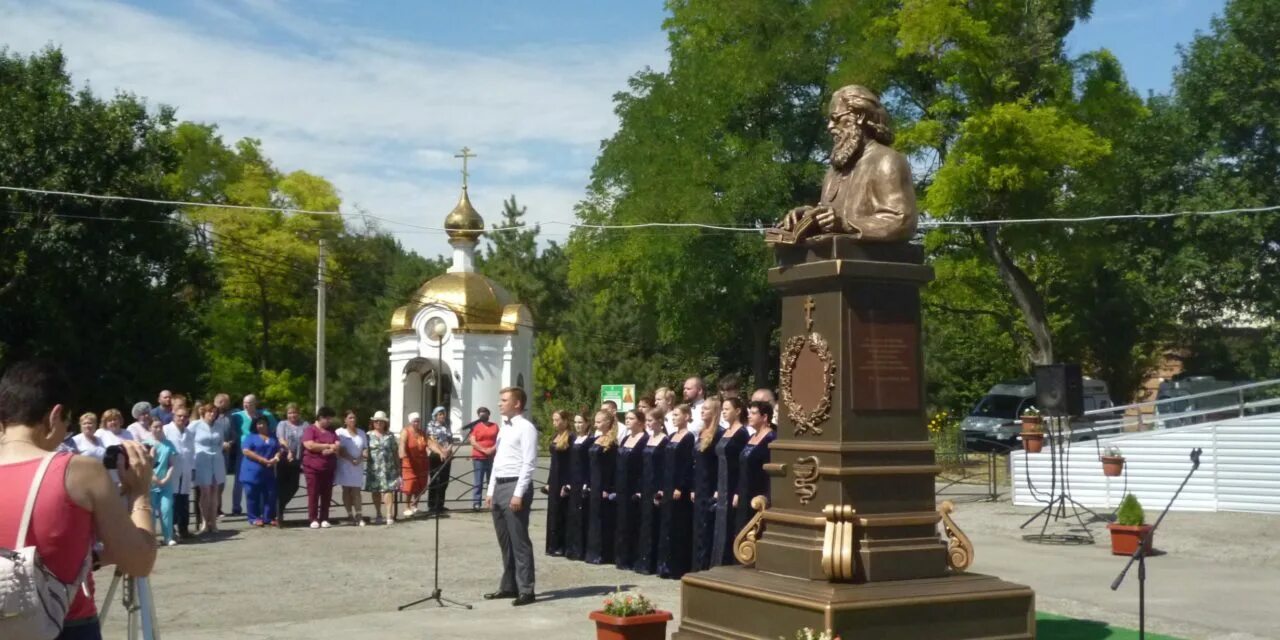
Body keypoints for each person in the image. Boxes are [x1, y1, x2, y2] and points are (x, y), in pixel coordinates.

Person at [0, 360, 157, 640]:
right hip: (62, 624)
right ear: (55, 415)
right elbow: (139, 561)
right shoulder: (79, 472)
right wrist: (139, 492)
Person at [483, 387, 539, 607]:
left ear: (517, 403)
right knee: (505, 541)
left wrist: (518, 493)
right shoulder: (504, 428)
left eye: (504, 400)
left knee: (519, 540)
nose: (499, 404)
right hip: (500, 485)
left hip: (516, 484)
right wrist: (490, 490)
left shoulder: (526, 428)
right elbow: (498, 461)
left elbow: (529, 462)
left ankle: (527, 588)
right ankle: (509, 585)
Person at [658, 403, 697, 578]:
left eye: (677, 415)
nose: (673, 418)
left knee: (677, 525)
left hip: (678, 487)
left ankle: (677, 567)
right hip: (666, 484)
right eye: (672, 415)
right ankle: (664, 564)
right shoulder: (672, 435)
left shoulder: (688, 437)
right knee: (666, 524)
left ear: (687, 417)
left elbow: (687, 464)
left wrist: (680, 486)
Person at [712, 397, 750, 566]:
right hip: (721, 483)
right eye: (723, 409)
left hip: (732, 482)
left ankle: (727, 562)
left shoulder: (742, 433)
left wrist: (737, 491)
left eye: (728, 409)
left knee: (729, 523)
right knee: (719, 524)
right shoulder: (724, 432)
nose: (724, 412)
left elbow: (741, 464)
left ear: (738, 411)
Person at [230, 395, 277, 518]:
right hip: (244, 449)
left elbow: (273, 428)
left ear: (255, 403)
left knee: (261, 480)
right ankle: (236, 506)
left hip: (262, 449)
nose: (246, 405)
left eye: (249, 403)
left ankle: (263, 510)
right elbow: (231, 430)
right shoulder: (236, 416)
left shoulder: (264, 414)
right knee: (241, 479)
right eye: (244, 403)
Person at [633, 407, 668, 575]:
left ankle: (653, 562)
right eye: (646, 421)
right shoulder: (648, 439)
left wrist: (660, 490)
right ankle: (643, 561)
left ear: (660, 421)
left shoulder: (664, 440)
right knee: (644, 523)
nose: (647, 424)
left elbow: (664, 468)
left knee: (653, 523)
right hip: (645, 485)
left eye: (650, 421)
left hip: (655, 485)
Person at [613, 408, 649, 570]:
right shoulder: (626, 437)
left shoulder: (644, 439)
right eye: (626, 418)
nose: (627, 421)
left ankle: (632, 557)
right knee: (620, 521)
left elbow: (644, 466)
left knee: (632, 521)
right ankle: (620, 557)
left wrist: (640, 489)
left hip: (634, 485)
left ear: (640, 422)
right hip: (621, 484)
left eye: (631, 418)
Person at [690, 397, 723, 572]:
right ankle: (696, 565)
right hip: (699, 484)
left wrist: (718, 489)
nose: (702, 412)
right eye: (702, 409)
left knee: (707, 525)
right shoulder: (701, 432)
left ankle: (705, 565)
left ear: (715, 412)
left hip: (710, 484)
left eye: (707, 409)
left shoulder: (719, 433)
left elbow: (718, 464)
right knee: (698, 526)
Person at [735, 401, 776, 536]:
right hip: (744, 491)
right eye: (749, 413)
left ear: (764, 417)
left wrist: (767, 496)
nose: (749, 416)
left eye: (753, 413)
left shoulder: (771, 438)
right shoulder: (752, 436)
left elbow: (770, 470)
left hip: (758, 493)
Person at [585, 410, 618, 565]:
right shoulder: (596, 439)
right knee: (594, 517)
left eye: (599, 422)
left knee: (602, 518)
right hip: (593, 482)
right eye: (595, 421)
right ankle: (592, 551)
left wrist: (608, 488)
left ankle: (603, 553)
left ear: (607, 423)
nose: (596, 424)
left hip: (603, 484)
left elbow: (611, 468)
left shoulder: (611, 443)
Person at [398, 413, 445, 517]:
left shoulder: (422, 433)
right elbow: (402, 443)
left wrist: (440, 452)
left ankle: (414, 506)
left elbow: (430, 443)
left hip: (422, 463)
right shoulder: (406, 431)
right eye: (414, 421)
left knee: (421, 485)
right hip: (409, 463)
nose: (416, 423)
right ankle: (406, 507)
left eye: (418, 421)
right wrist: (402, 453)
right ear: (410, 421)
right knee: (410, 485)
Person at [240, 415, 282, 527]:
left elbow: (279, 449)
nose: (261, 425)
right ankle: (254, 518)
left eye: (263, 423)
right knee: (252, 495)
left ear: (267, 424)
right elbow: (246, 451)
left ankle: (269, 517)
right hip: (251, 471)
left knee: (270, 494)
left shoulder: (273, 437)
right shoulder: (250, 437)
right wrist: (262, 460)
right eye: (258, 423)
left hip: (268, 472)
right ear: (255, 425)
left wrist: (276, 457)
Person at [190, 403, 226, 535]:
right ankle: (205, 522)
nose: (212, 415)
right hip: (201, 460)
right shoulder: (195, 425)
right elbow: (188, 441)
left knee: (215, 491)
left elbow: (220, 442)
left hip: (216, 460)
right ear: (203, 413)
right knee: (205, 491)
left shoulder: (219, 426)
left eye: (214, 412)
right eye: (210, 412)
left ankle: (214, 523)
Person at [302, 406, 340, 529]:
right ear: (320, 418)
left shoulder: (332, 431)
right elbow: (310, 445)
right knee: (313, 493)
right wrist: (327, 446)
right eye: (328, 419)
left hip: (328, 467)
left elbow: (337, 445)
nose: (330, 422)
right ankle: (313, 518)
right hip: (312, 468)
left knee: (327, 493)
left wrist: (329, 449)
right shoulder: (310, 430)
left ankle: (325, 518)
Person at [564, 413, 594, 561]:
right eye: (575, 422)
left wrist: (587, 483)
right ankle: (572, 548)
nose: (578, 425)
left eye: (581, 422)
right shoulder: (575, 439)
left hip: (583, 479)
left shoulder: (590, 440)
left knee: (582, 514)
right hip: (573, 479)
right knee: (573, 514)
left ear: (587, 423)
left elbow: (589, 464)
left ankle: (581, 549)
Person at [163, 407, 196, 539]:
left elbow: (192, 452)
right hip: (172, 470)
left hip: (186, 469)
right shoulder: (166, 430)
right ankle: (170, 529)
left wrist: (193, 469)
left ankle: (184, 529)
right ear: (173, 416)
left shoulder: (189, 432)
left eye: (185, 416)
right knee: (172, 501)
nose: (182, 419)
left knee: (184, 500)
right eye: (179, 416)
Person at [543, 409, 572, 556]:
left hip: (563, 478)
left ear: (565, 421)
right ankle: (552, 545)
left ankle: (562, 545)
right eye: (553, 420)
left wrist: (567, 484)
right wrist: (548, 482)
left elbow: (571, 463)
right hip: (554, 477)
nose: (555, 423)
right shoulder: (556, 435)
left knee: (562, 511)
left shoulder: (570, 437)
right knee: (553, 511)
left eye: (557, 420)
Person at [147, 416, 179, 546]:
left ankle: (168, 536)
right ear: (150, 428)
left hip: (166, 483)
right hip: (150, 483)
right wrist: (154, 478)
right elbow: (145, 465)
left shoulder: (169, 444)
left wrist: (166, 478)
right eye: (155, 426)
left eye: (160, 426)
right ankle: (151, 538)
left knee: (166, 509)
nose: (158, 429)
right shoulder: (146, 444)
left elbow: (172, 464)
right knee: (151, 512)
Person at [275, 403, 308, 526]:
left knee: (294, 486)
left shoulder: (304, 425)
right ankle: (279, 513)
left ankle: (279, 508)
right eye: (290, 413)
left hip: (297, 459)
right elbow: (281, 439)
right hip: (283, 458)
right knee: (281, 486)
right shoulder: (282, 424)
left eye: (294, 412)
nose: (292, 415)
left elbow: (307, 440)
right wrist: (289, 451)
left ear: (298, 413)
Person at [364, 411, 399, 525]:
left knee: (388, 490)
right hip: (374, 468)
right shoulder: (368, 435)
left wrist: (398, 467)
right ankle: (378, 513)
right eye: (376, 421)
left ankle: (389, 514)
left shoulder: (390, 436)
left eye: (381, 421)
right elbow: (364, 451)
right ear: (373, 423)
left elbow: (395, 451)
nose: (378, 423)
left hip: (388, 467)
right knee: (376, 491)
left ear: (385, 423)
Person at [335, 410, 368, 526]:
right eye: (350, 418)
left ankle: (359, 514)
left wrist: (361, 457)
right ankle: (350, 514)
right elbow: (339, 449)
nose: (353, 420)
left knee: (356, 491)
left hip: (358, 465)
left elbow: (365, 447)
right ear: (345, 420)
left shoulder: (361, 433)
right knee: (346, 490)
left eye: (354, 418)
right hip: (345, 465)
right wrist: (350, 458)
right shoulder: (339, 432)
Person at [467, 407, 499, 511]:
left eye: (485, 413)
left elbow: (500, 440)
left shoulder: (495, 426)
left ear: (488, 415)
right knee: (478, 481)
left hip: (492, 456)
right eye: (481, 414)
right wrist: (484, 450)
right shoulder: (475, 426)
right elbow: (473, 441)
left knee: (492, 480)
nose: (483, 415)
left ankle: (493, 501)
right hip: (479, 457)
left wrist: (492, 449)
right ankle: (477, 503)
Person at [426, 406, 454, 514]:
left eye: (443, 414)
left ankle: (440, 504)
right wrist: (441, 451)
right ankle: (432, 505)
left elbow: (451, 440)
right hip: (435, 455)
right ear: (435, 416)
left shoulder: (446, 426)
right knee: (434, 480)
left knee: (444, 481)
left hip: (447, 455)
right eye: (440, 414)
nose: (442, 416)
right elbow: (432, 441)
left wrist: (448, 450)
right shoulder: (431, 426)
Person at [213, 393, 234, 517]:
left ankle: (218, 508)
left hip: (225, 453)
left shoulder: (229, 417)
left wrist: (230, 442)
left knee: (221, 482)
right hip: (212, 452)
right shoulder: (211, 415)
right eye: (227, 402)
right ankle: (210, 508)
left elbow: (233, 433)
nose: (228, 404)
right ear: (220, 402)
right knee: (211, 482)